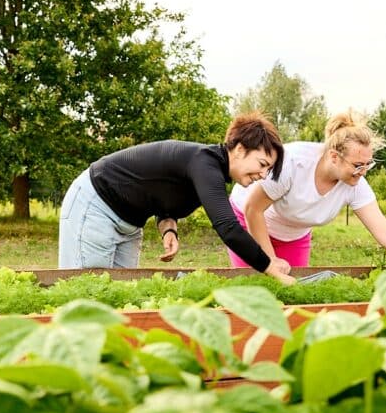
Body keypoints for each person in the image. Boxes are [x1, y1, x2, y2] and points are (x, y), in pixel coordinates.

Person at [58, 112, 295, 284]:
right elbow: (228, 228)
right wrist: (269, 267)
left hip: (128, 223)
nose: (263, 174)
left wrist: (169, 229)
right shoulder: (206, 164)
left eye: (268, 169)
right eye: (262, 164)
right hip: (95, 204)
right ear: (240, 149)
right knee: (86, 292)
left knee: (120, 293)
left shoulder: (208, 169)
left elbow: (161, 193)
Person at [227, 111, 386, 269]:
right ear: (333, 156)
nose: (363, 172)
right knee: (255, 292)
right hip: (248, 219)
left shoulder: (355, 184)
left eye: (368, 164)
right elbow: (253, 209)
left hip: (293, 234)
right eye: (358, 165)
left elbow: (383, 229)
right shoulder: (293, 163)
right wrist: (269, 260)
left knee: (293, 297)